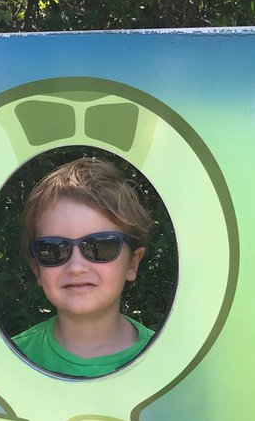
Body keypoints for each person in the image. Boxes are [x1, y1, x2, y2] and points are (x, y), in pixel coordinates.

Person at [12, 158, 154, 377]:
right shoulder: (10, 359)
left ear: (133, 262)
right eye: (53, 249)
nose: (76, 266)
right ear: (37, 268)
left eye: (101, 245)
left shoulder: (168, 361)